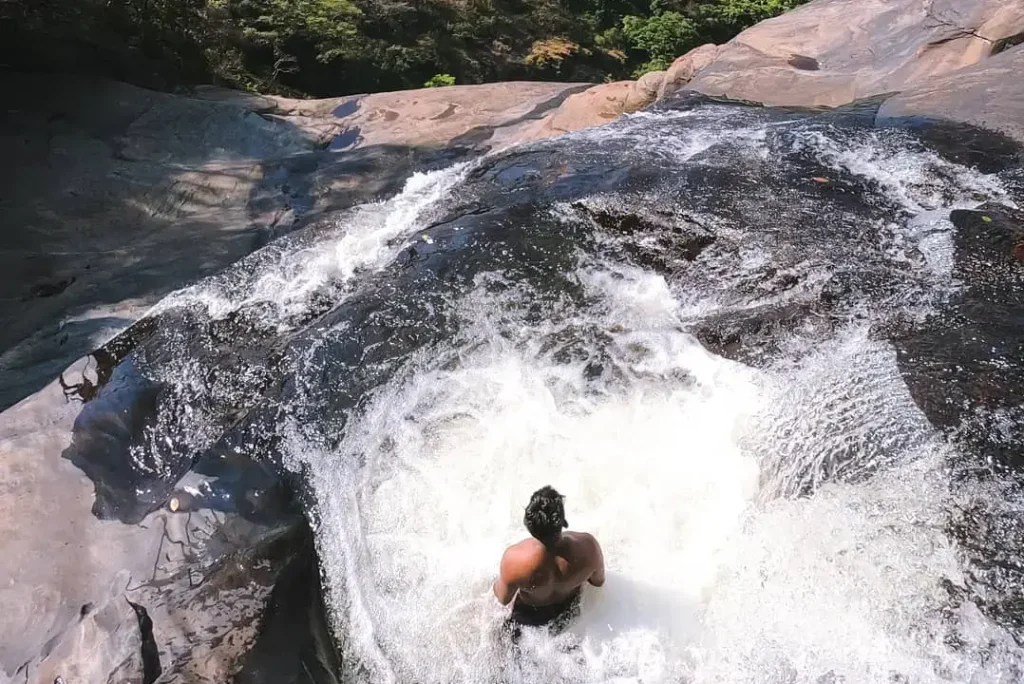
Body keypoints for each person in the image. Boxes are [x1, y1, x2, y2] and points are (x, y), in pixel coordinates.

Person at [493, 486, 605, 638]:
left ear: (528, 524)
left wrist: (496, 583)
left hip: (529, 621)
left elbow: (503, 598)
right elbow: (598, 582)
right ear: (563, 521)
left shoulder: (514, 561)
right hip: (569, 619)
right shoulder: (588, 547)